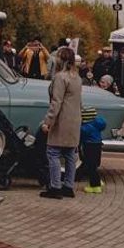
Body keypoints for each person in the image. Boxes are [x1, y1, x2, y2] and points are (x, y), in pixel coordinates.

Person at [39, 47, 82, 199]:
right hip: (75, 119)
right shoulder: (77, 77)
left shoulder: (60, 77)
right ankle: (68, 186)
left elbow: (56, 102)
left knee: (53, 152)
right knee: (70, 154)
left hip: (61, 120)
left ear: (60, 60)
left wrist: (48, 121)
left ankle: (55, 187)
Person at [80, 105, 106, 193]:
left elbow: (81, 136)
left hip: (89, 147)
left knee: (90, 166)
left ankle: (95, 186)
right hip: (97, 145)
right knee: (94, 165)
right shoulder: (97, 124)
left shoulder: (85, 128)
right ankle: (97, 180)